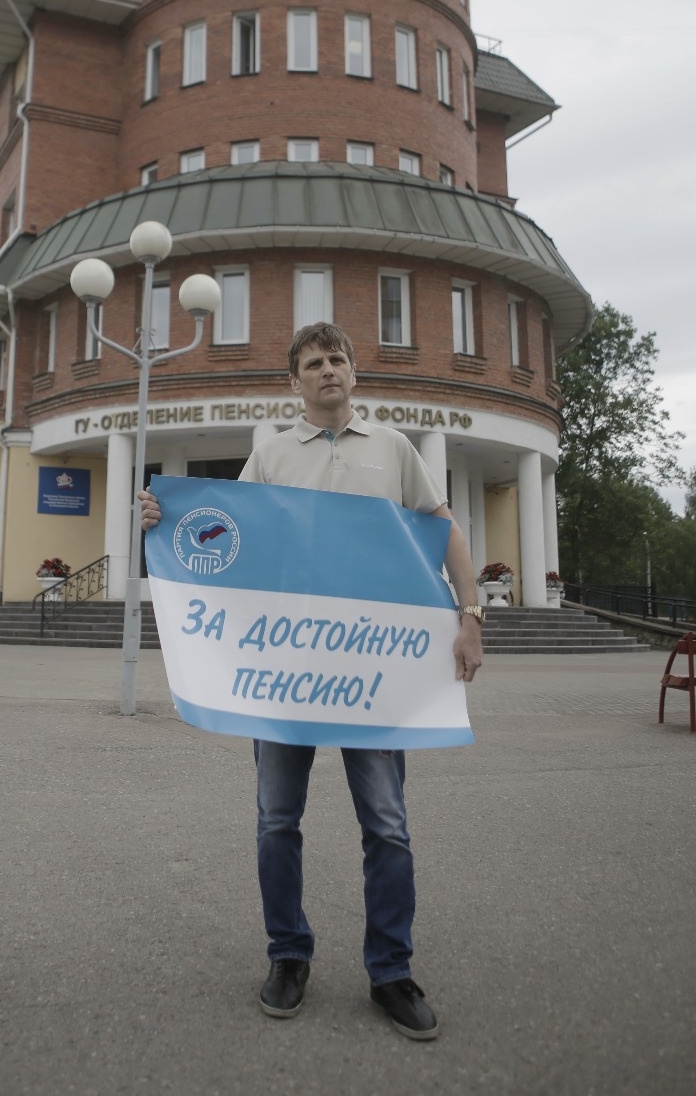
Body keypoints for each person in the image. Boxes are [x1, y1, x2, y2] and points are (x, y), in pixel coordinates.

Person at [138, 322, 484, 1041]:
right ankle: (288, 956)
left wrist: (471, 614)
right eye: (314, 363)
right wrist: (164, 518)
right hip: (286, 673)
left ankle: (391, 970)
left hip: (373, 669)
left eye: (337, 359)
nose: (328, 370)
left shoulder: (394, 449)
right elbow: (227, 534)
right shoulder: (270, 454)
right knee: (276, 820)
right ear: (294, 381)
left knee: (386, 824)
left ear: (354, 372)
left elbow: (443, 526)